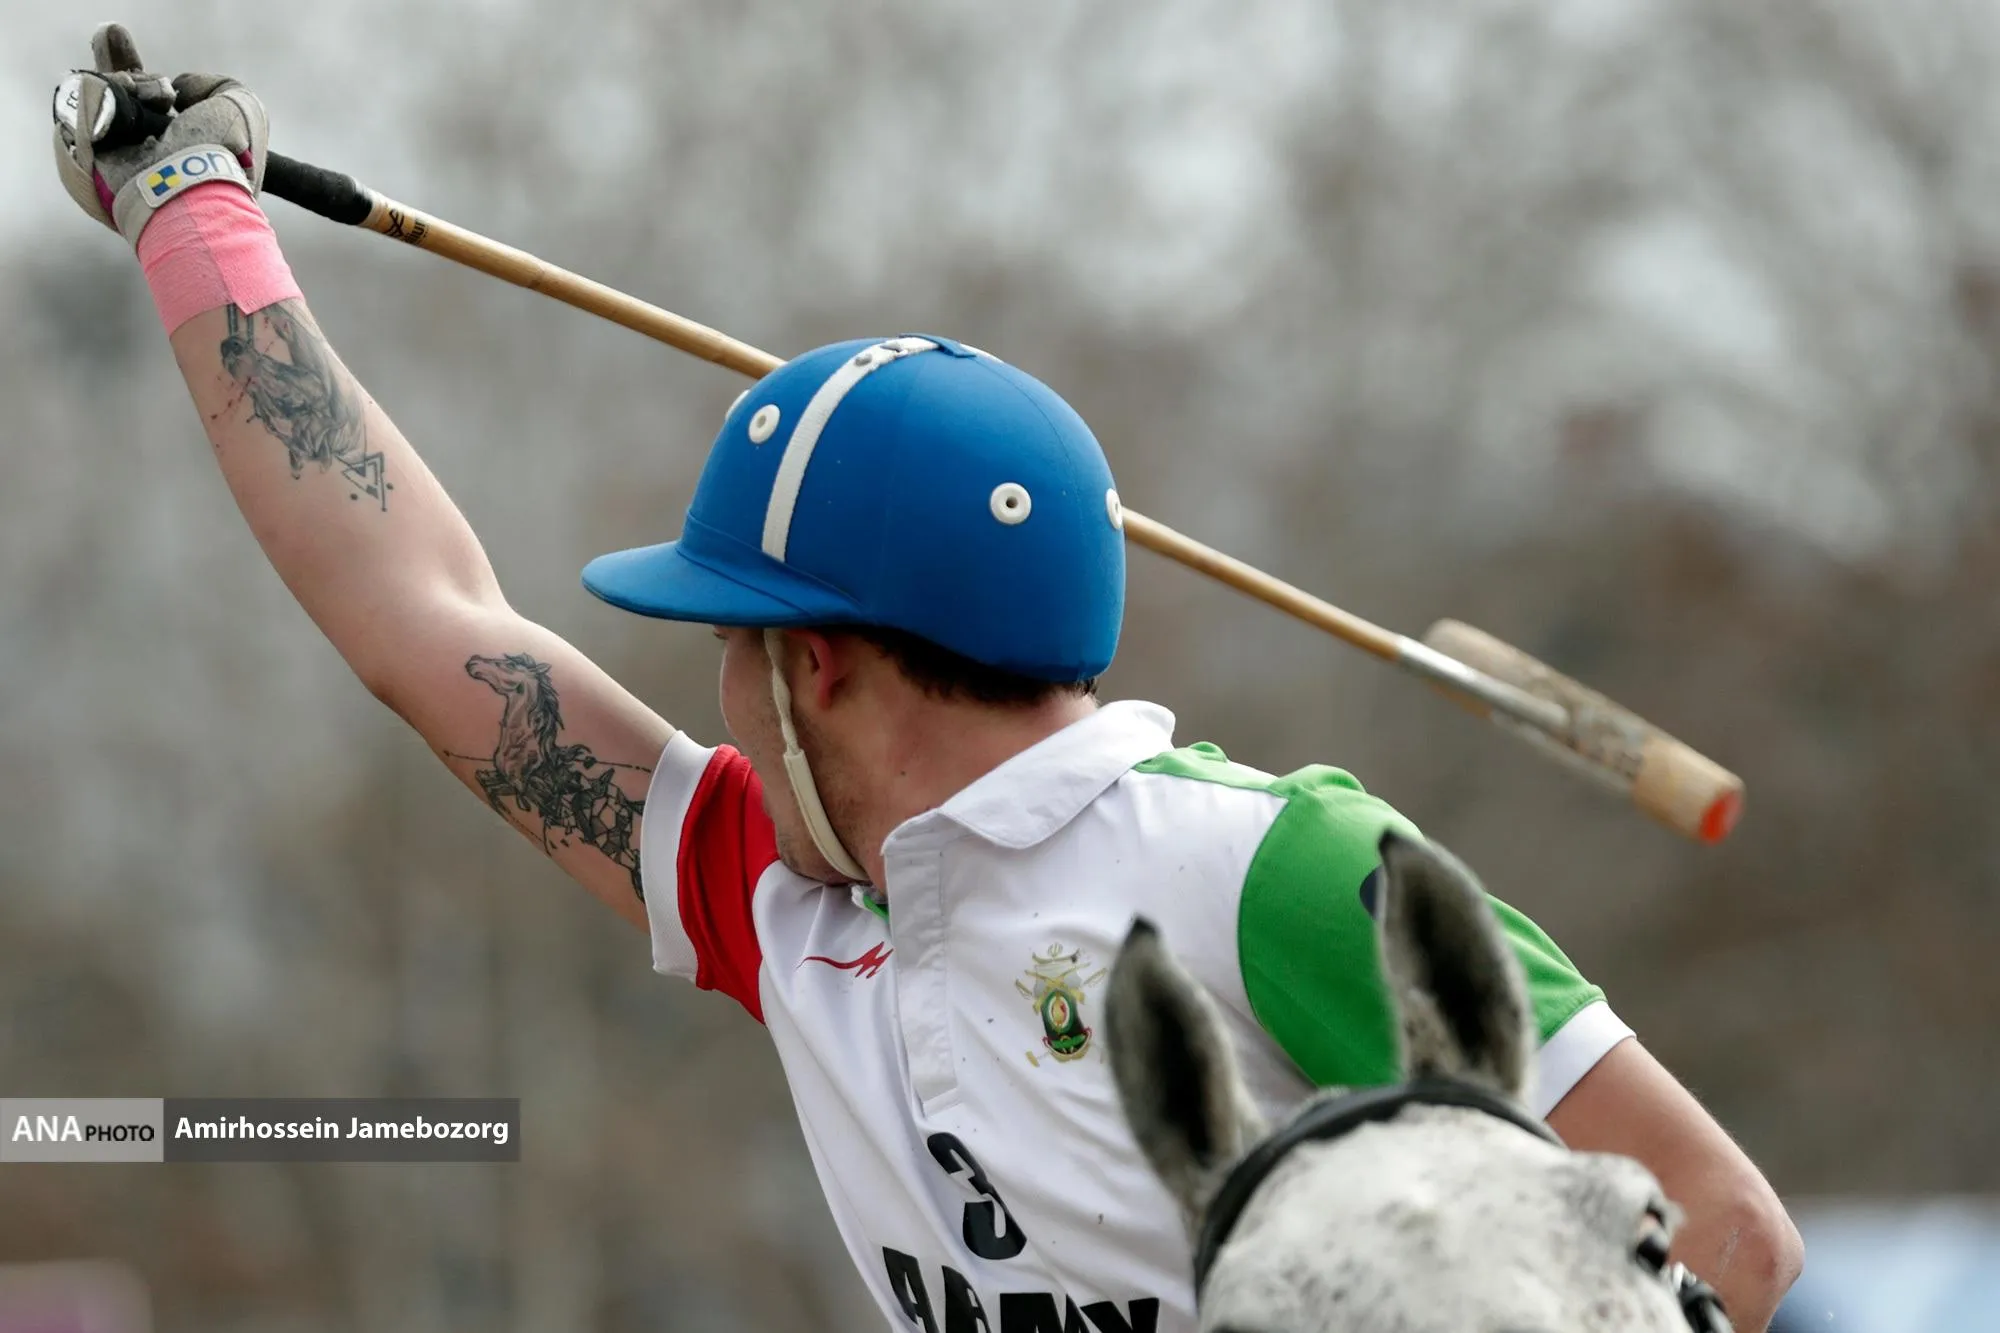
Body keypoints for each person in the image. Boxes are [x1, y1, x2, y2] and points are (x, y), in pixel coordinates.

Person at [52, 25, 1802, 1332]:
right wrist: (190, 216)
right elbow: (422, 619)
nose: (721, 698)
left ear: (811, 668)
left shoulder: (1277, 870)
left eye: (729, 646)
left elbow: (1725, 1233)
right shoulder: (793, 898)